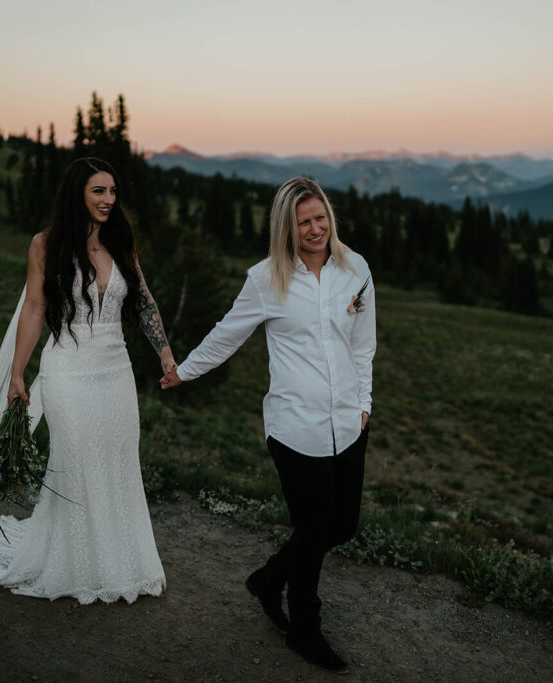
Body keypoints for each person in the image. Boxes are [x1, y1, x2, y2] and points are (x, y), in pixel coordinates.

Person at [0, 157, 173, 604]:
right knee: (75, 458)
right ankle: (71, 563)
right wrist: (17, 372)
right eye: (98, 191)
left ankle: (117, 562)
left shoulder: (121, 241)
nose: (109, 199)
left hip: (116, 369)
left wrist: (165, 353)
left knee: (118, 454)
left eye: (113, 191)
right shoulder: (45, 245)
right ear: (77, 194)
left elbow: (143, 300)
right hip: (67, 368)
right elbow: (34, 308)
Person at [160, 176, 376, 673]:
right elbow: (226, 335)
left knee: (342, 524)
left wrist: (364, 403)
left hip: (348, 421)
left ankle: (268, 578)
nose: (316, 229)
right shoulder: (266, 279)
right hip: (294, 428)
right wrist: (184, 371)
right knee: (314, 526)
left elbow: (363, 343)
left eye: (321, 218)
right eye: (304, 222)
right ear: (287, 227)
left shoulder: (355, 269)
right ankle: (304, 629)